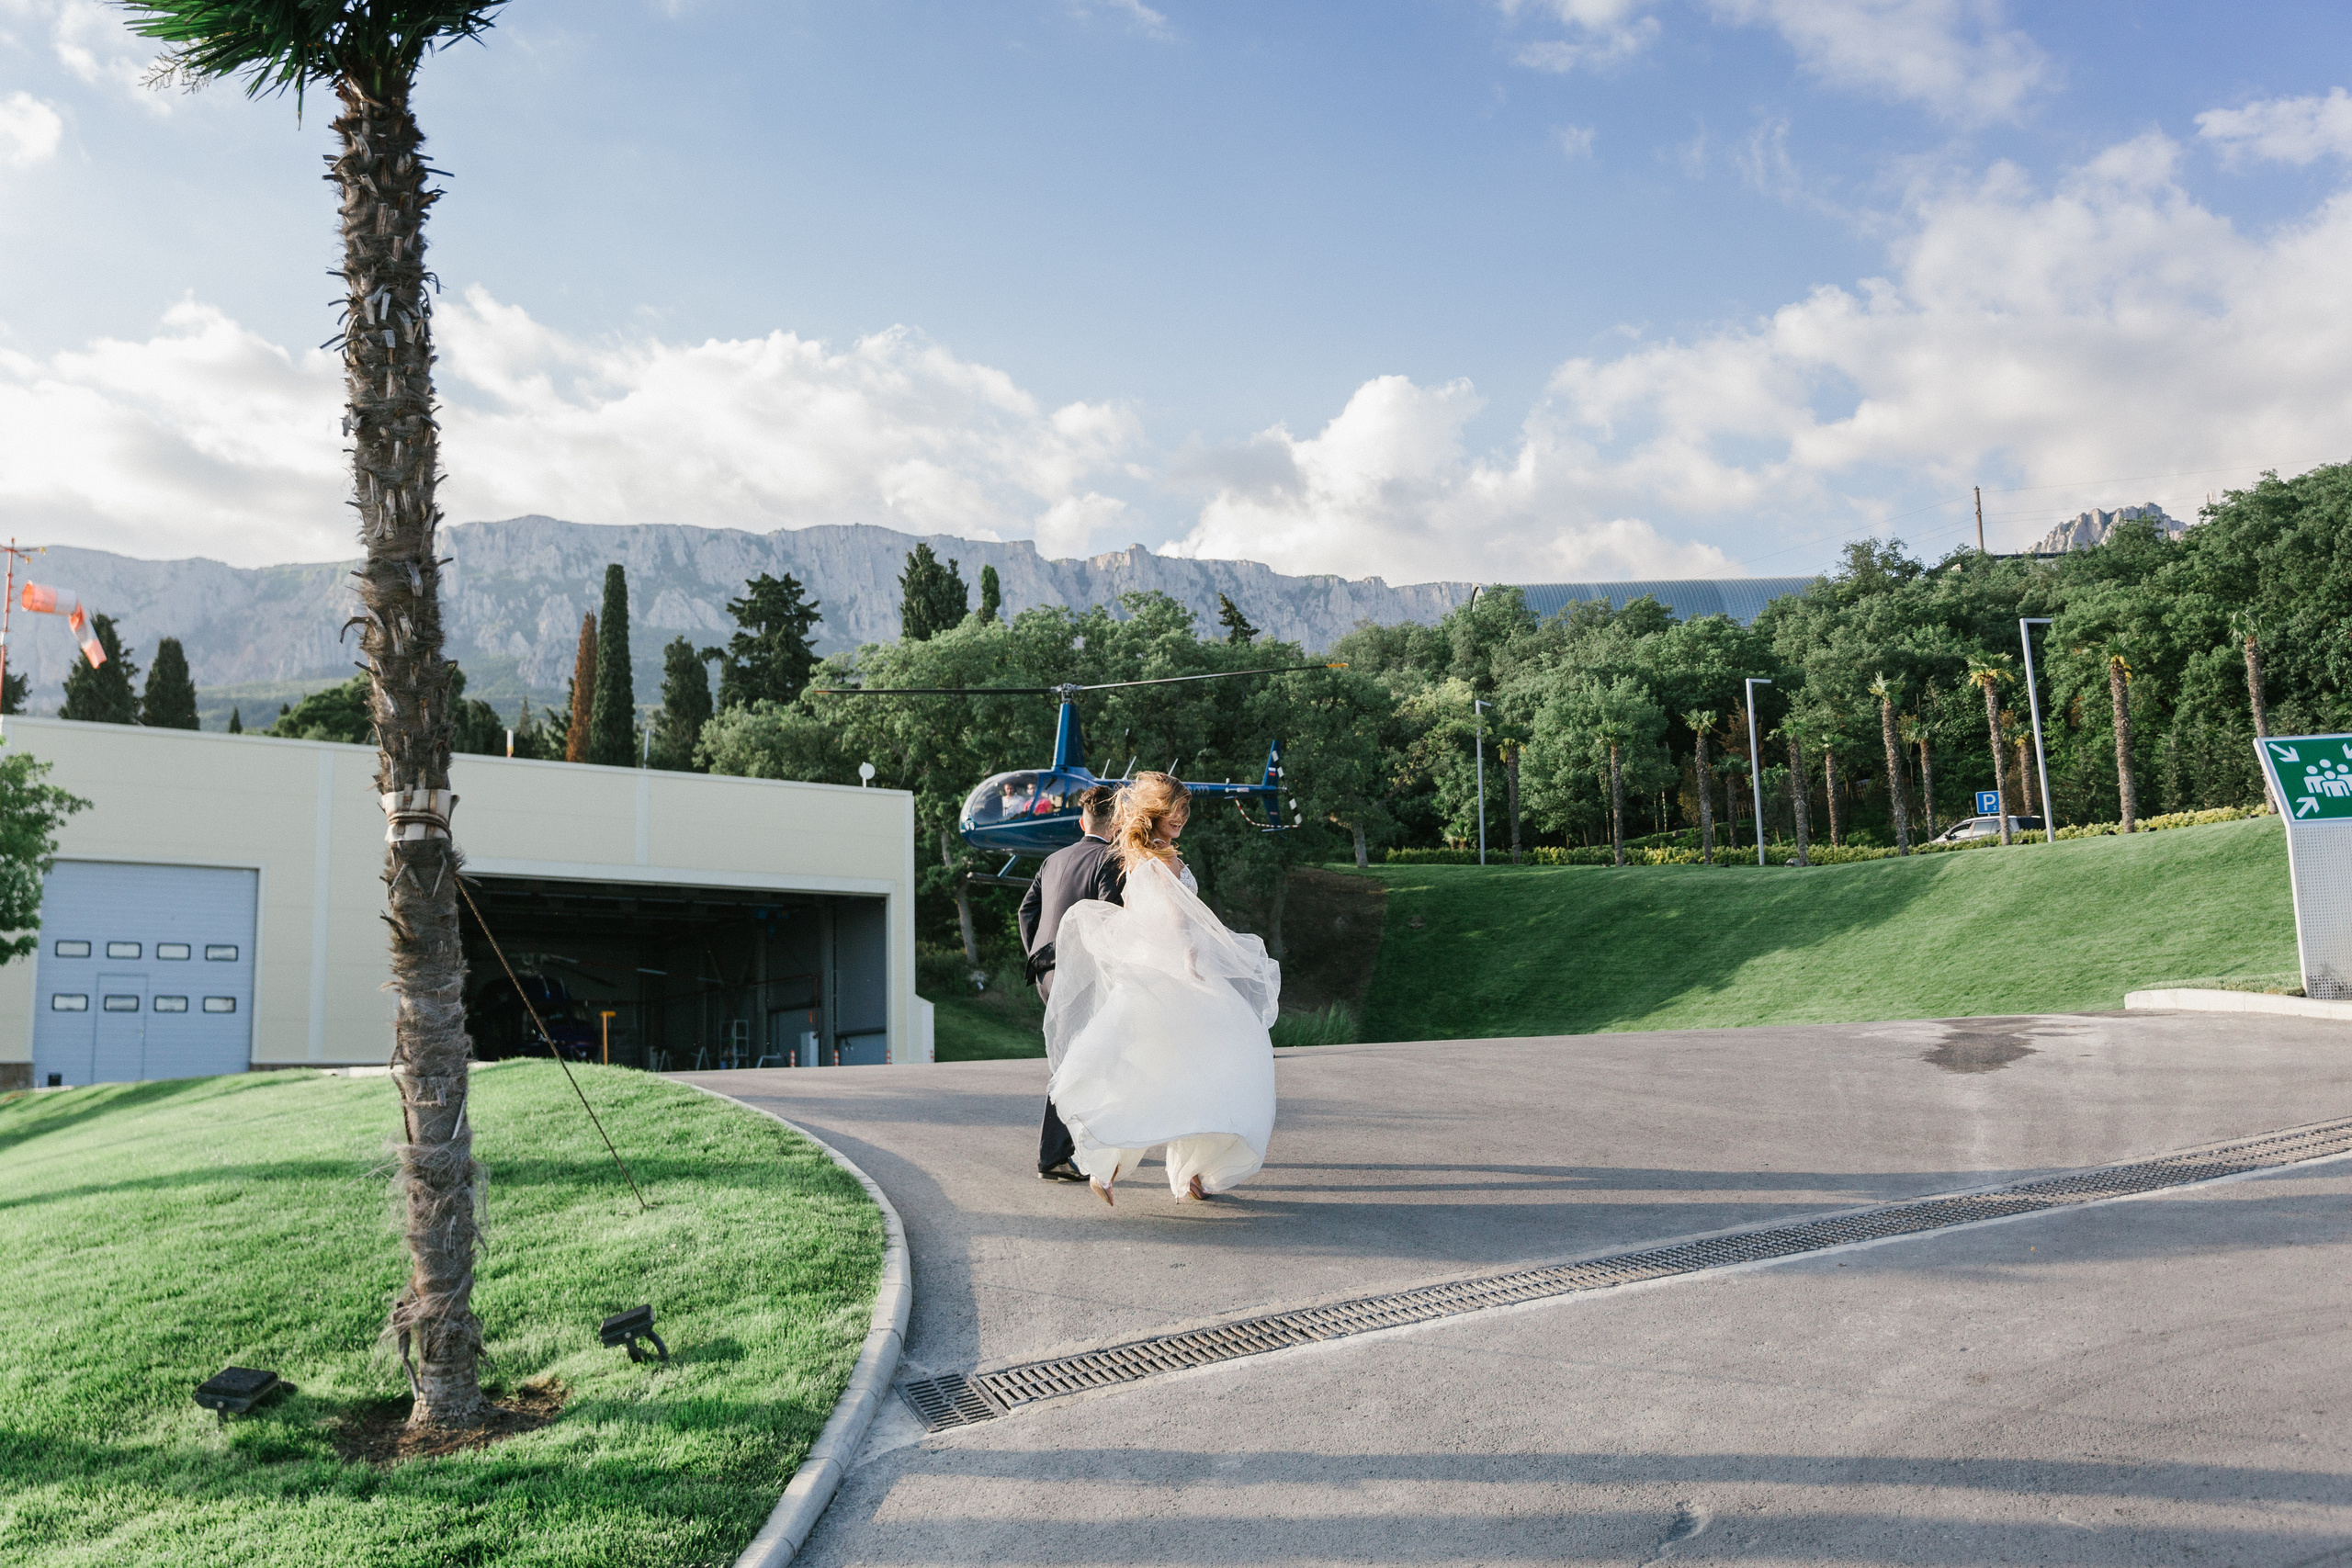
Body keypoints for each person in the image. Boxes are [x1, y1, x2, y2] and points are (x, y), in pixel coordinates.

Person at [1044, 773, 1279, 1206]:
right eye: (1175, 810)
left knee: (1160, 1073)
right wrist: (1191, 963)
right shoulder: (1163, 860)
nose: (1182, 818)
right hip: (1175, 975)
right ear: (1155, 810)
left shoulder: (1135, 858)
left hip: (1152, 974)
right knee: (1213, 1066)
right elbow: (1174, 920)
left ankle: (1128, 1169)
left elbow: (1137, 915)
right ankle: (1169, 1169)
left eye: (1186, 811)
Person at [1018, 784, 1125, 1182]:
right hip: (1083, 973)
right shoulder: (1110, 859)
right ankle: (1056, 1153)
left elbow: (1026, 909)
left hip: (1047, 972)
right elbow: (1107, 915)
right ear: (1117, 824)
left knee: (1078, 1055)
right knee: (1078, 1060)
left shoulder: (1054, 859)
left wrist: (1040, 953)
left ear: (1083, 821)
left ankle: (1075, 1146)